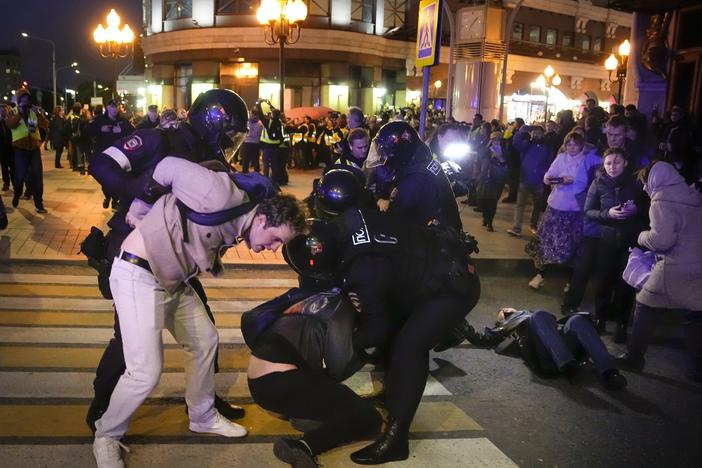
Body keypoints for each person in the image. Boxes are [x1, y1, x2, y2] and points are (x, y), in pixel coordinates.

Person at [92, 156, 307, 468]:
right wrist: (138, 210)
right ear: (262, 220)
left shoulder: (243, 219)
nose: (274, 248)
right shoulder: (219, 195)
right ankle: (106, 436)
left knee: (204, 340)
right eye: (276, 239)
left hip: (171, 280)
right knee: (144, 371)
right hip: (137, 274)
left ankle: (202, 416)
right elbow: (166, 166)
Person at [86, 89, 251, 433]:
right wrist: (138, 188)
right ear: (212, 121)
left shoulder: (210, 155)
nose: (230, 143)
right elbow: (101, 163)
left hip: (176, 254)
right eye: (229, 134)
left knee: (203, 329)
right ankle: (102, 402)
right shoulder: (158, 139)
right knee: (128, 337)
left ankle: (204, 401)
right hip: (132, 246)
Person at [285, 208, 480, 465]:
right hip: (432, 265)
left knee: (409, 348)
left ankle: (396, 439)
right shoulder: (346, 220)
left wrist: (344, 349)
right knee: (395, 334)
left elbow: (375, 331)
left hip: (452, 287)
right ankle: (392, 395)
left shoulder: (362, 272)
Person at [244, 288, 381, 468]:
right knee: (368, 417)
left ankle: (303, 416)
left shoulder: (314, 300)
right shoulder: (340, 308)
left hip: (260, 381)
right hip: (281, 382)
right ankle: (304, 446)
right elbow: (338, 368)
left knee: (336, 398)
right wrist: (362, 353)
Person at [618, 161, 702, 382]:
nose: (645, 188)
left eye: (645, 182)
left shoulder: (662, 201)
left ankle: (633, 358)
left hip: (673, 267)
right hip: (696, 266)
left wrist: (641, 236)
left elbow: (662, 240)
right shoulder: (692, 196)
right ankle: (696, 368)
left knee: (645, 306)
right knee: (694, 315)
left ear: (654, 180)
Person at [562, 148, 646, 342]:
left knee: (625, 284)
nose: (612, 167)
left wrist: (636, 209)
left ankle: (622, 323)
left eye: (616, 163)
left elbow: (649, 208)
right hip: (606, 239)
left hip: (629, 240)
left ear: (625, 163)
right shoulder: (599, 182)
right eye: (608, 163)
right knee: (603, 281)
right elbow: (588, 210)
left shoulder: (635, 183)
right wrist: (607, 214)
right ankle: (600, 318)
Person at [465, 308, 627, 390]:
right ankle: (567, 365)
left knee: (577, 319)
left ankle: (609, 371)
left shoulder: (533, 316)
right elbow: (485, 339)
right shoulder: (513, 324)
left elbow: (553, 328)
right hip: (547, 358)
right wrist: (464, 327)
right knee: (539, 315)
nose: (505, 310)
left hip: (559, 344)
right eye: (503, 312)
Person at [529, 132, 602, 289]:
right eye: (569, 144)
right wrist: (561, 180)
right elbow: (547, 177)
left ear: (581, 145)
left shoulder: (586, 159)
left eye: (575, 144)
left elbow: (600, 163)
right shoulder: (561, 158)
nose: (571, 148)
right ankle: (540, 274)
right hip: (556, 205)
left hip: (575, 209)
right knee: (546, 243)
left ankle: (570, 280)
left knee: (574, 246)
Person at [366, 121, 462, 231]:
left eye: (387, 153)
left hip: (440, 242)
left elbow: (394, 215)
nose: (385, 158)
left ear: (400, 151)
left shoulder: (415, 178)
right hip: (444, 232)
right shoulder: (421, 161)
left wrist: (380, 201)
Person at [5, 89, 48, 213]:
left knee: (37, 176)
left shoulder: (33, 112)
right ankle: (17, 194)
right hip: (20, 149)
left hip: (34, 148)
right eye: (22, 99)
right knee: (20, 176)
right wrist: (20, 112)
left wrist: (39, 114)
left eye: (27, 99)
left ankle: (39, 203)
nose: (25, 101)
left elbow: (45, 125)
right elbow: (10, 125)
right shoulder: (12, 112)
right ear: (18, 100)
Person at [89, 99, 135, 209]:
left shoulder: (123, 121)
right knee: (105, 180)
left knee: (115, 178)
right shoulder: (100, 120)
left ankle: (115, 199)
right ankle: (108, 195)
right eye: (112, 106)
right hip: (103, 155)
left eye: (116, 106)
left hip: (118, 156)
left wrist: (121, 131)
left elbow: (133, 132)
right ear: (108, 107)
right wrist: (100, 129)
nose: (115, 109)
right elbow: (87, 131)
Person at [507, 124, 551, 237]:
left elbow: (550, 162)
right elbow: (516, 144)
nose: (535, 134)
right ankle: (517, 227)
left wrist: (545, 175)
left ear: (543, 133)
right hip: (525, 179)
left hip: (539, 181)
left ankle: (533, 224)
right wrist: (521, 132)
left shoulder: (546, 147)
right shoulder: (527, 144)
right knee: (520, 205)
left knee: (537, 205)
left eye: (538, 132)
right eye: (533, 132)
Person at [477, 131, 509, 232]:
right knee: (483, 200)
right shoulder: (485, 149)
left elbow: (507, 165)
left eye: (498, 139)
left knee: (493, 202)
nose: (496, 141)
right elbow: (479, 160)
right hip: (484, 178)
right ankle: (485, 217)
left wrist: (500, 157)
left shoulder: (505, 151)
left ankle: (489, 222)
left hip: (497, 180)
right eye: (494, 139)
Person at [241, 108, 263, 173]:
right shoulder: (260, 123)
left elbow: (243, 131)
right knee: (256, 160)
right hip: (256, 143)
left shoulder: (247, 122)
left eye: (250, 113)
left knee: (245, 160)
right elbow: (260, 134)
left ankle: (245, 174)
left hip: (247, 142)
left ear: (252, 114)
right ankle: (256, 174)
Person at [0, 104, 14, 192]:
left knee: (13, 168)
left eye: (5, 110)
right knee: (4, 168)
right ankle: (6, 183)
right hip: (2, 149)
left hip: (11, 148)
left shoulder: (11, 121)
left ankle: (15, 183)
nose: (3, 112)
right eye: (1, 110)